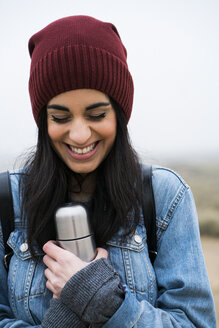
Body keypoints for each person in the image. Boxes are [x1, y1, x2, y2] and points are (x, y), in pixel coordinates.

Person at [0, 15, 216, 328]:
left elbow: (196, 324)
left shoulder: (166, 196)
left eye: (97, 114)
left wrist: (102, 298)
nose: (79, 135)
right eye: (60, 117)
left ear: (119, 114)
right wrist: (62, 319)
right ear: (43, 121)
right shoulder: (7, 202)